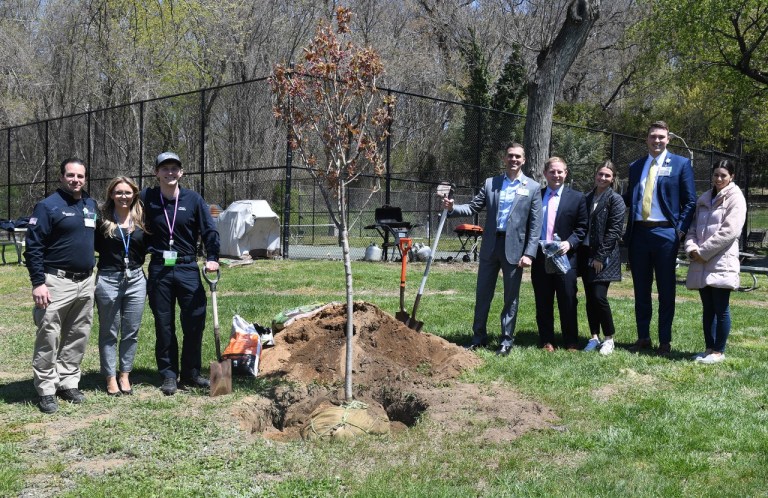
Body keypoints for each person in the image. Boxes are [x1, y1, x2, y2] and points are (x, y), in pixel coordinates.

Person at [443, 143, 542, 356]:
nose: (513, 160)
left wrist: (529, 253)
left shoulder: (532, 188)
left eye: (517, 157)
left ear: (523, 160)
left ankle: (506, 341)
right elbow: (473, 207)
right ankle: (478, 337)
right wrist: (452, 208)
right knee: (482, 294)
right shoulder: (491, 183)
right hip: (490, 246)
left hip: (515, 250)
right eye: (510, 156)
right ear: (504, 159)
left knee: (510, 297)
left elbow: (535, 225)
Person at [141, 152, 220, 395]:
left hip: (187, 267)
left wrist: (213, 258)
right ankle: (168, 374)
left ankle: (191, 373)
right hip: (159, 269)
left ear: (181, 172)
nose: (170, 172)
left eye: (175, 168)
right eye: (164, 168)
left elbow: (209, 230)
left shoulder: (193, 199)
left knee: (194, 321)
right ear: (156, 173)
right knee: (164, 324)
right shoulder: (147, 198)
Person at [25, 158, 99, 413]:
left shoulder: (90, 204)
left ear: (85, 178)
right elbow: (33, 247)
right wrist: (38, 283)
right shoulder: (47, 207)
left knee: (78, 334)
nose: (75, 180)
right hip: (55, 282)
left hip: (86, 281)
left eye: (80, 176)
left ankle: (68, 381)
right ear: (61, 177)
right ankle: (46, 388)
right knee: (49, 335)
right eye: (70, 175)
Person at [624, 120, 696, 356]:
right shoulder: (636, 166)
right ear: (646, 139)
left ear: (668, 139)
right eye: (653, 136)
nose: (657, 141)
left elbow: (691, 201)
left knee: (666, 291)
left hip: (666, 234)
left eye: (661, 137)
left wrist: (680, 230)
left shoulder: (681, 164)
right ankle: (643, 337)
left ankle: (665, 341)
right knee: (641, 290)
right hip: (640, 234)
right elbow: (629, 199)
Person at [684, 160, 746, 364]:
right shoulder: (703, 199)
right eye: (716, 175)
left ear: (732, 177)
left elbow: (730, 231)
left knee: (721, 308)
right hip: (701, 261)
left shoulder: (736, 198)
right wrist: (692, 249)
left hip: (721, 260)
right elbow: (692, 228)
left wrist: (704, 252)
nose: (719, 179)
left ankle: (719, 351)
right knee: (708, 308)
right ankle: (708, 349)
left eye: (723, 175)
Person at [94, 177, 148, 396]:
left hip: (136, 279)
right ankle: (109, 377)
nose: (123, 196)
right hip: (108, 279)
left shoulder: (142, 219)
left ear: (134, 194)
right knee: (109, 331)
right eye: (118, 192)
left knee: (131, 331)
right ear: (111, 195)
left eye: (127, 192)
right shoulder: (102, 220)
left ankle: (124, 374)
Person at [531, 157, 587, 351]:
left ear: (566, 173)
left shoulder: (577, 198)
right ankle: (547, 340)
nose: (556, 175)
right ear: (545, 174)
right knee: (543, 300)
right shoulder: (536, 196)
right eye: (552, 172)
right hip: (540, 257)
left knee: (568, 299)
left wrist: (569, 243)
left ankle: (571, 340)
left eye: (560, 171)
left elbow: (582, 228)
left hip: (566, 258)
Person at [577, 161, 625, 355]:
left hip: (604, 257)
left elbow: (614, 231)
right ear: (595, 175)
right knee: (590, 299)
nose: (603, 178)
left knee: (599, 297)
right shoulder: (587, 198)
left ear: (613, 179)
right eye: (600, 174)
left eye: (607, 175)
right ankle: (594, 337)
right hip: (585, 254)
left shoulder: (616, 200)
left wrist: (600, 256)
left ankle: (609, 338)